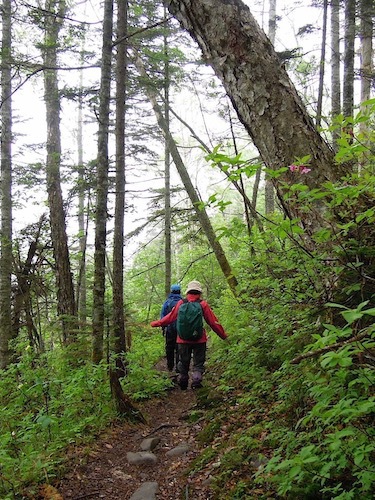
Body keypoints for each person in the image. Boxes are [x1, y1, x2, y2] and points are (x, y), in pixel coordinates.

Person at [151, 280, 228, 390]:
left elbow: (170, 317)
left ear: (188, 291)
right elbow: (212, 322)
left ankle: (183, 380)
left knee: (183, 361)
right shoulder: (203, 304)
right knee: (198, 362)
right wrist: (223, 335)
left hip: (182, 340)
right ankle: (196, 381)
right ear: (199, 292)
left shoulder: (181, 303)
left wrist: (156, 323)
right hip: (200, 339)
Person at [160, 283, 182, 374]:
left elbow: (163, 316)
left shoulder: (167, 302)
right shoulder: (183, 302)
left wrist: (163, 327)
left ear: (171, 291)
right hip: (181, 329)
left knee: (169, 347)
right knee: (179, 348)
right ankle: (178, 367)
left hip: (170, 329)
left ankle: (170, 367)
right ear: (179, 291)